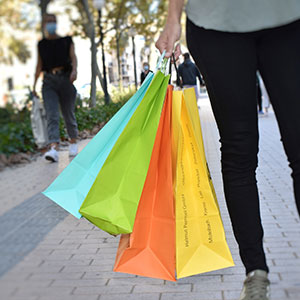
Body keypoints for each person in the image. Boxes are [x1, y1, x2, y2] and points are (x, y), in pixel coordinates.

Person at [156, 1, 300, 300]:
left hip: (288, 18)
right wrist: (173, 18)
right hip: (215, 24)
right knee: (239, 151)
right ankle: (255, 272)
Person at [33, 13, 78, 162]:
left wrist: (74, 70)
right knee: (51, 114)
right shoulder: (42, 44)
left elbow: (73, 57)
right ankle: (53, 148)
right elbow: (39, 65)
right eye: (48, 22)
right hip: (48, 82)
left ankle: (73, 141)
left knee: (68, 113)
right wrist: (34, 86)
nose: (51, 24)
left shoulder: (66, 41)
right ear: (44, 25)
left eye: (53, 21)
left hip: (65, 79)